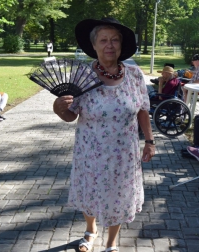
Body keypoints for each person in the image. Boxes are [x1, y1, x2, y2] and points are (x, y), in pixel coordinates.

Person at [53, 17, 155, 252]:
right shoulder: (82, 75)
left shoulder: (134, 74)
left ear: (121, 45)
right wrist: (58, 109)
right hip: (90, 150)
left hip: (124, 153)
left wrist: (149, 142)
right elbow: (71, 115)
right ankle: (90, 231)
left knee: (119, 195)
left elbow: (143, 108)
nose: (110, 45)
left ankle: (111, 241)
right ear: (95, 46)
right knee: (90, 189)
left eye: (115, 40)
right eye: (104, 40)